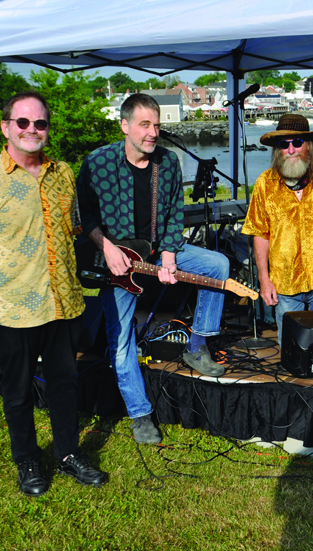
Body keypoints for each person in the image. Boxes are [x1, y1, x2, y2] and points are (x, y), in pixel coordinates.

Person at [0, 91, 107, 496]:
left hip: (62, 303)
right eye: (22, 122)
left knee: (64, 384)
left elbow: (73, 231)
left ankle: (67, 453)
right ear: (6, 127)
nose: (31, 130)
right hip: (11, 311)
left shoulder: (64, 173)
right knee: (18, 391)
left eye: (39, 123)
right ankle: (27, 460)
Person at [76, 94, 229, 444]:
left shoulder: (168, 162)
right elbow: (85, 217)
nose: (152, 132)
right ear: (125, 125)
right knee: (120, 341)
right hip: (116, 261)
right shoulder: (98, 163)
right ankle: (140, 413)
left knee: (217, 264)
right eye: (145, 125)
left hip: (158, 251)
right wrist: (107, 246)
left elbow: (175, 213)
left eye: (157, 125)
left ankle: (197, 344)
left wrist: (171, 257)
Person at [241, 114, 313, 346]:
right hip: (284, 283)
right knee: (292, 350)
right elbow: (259, 233)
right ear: (277, 150)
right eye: (284, 144)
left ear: (308, 146)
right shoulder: (265, 183)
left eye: (297, 142)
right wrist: (265, 280)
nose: (291, 149)